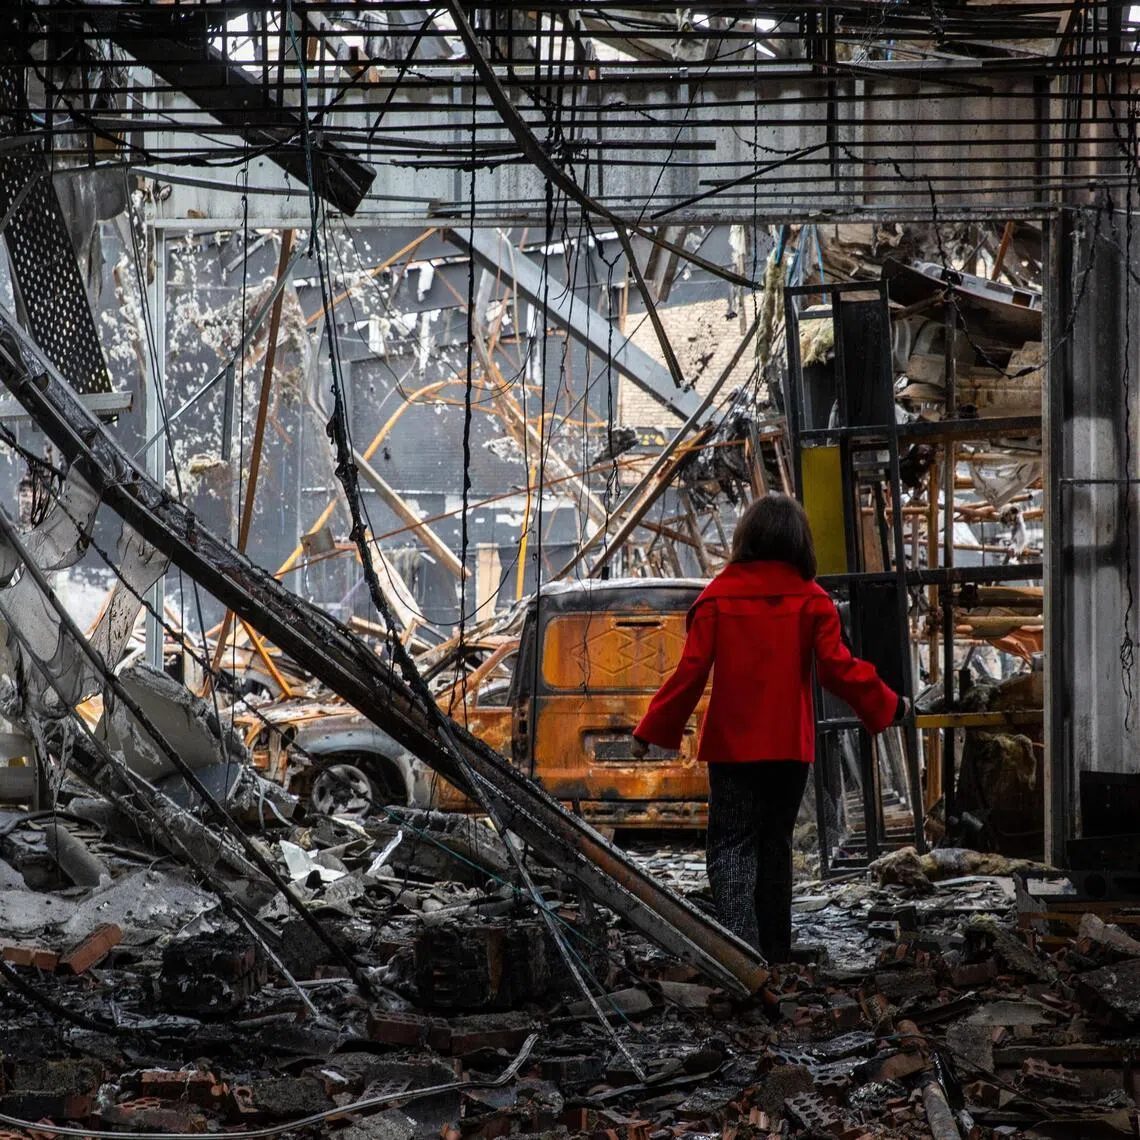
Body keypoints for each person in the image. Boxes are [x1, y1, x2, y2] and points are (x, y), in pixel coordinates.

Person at [631, 494, 908, 963]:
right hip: (787, 750)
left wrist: (649, 731)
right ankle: (776, 954)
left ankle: (740, 955)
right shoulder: (812, 600)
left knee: (732, 846)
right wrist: (889, 704)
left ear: (746, 539)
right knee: (773, 847)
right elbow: (838, 670)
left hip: (733, 749)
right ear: (800, 541)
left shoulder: (716, 597)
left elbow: (690, 672)